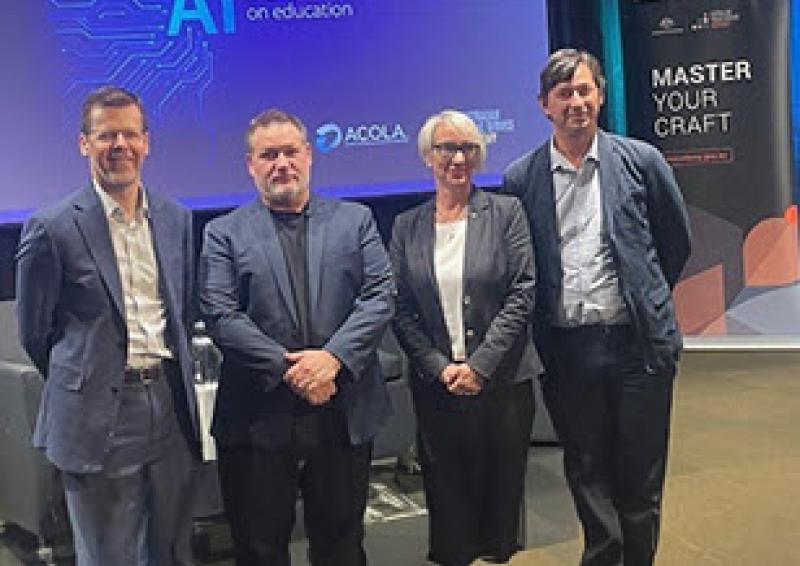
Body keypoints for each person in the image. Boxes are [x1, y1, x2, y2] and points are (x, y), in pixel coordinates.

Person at [502, 49, 691, 566]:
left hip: (638, 347)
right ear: (544, 105)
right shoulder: (521, 178)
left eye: (585, 90)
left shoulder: (642, 161)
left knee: (640, 471)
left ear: (601, 96)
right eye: (564, 93)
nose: (577, 102)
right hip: (568, 350)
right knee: (586, 467)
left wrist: (645, 297)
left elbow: (674, 244)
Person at [197, 109, 395, 566]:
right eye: (269, 155)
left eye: (290, 151)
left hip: (341, 407)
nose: (281, 163)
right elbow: (221, 315)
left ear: (309, 155)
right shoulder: (223, 233)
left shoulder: (355, 219)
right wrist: (296, 370)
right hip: (257, 417)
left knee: (342, 545)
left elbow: (381, 295)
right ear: (251, 164)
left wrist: (332, 361)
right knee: (259, 549)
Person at [15, 86, 199, 565]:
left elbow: (181, 312)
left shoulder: (177, 219)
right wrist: (88, 376)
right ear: (84, 144)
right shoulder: (51, 227)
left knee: (171, 549)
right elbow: (36, 332)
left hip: (170, 406)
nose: (120, 145)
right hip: (99, 413)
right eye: (106, 135)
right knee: (108, 556)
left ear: (147, 142)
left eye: (130, 134)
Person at [390, 110, 542, 566]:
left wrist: (479, 366)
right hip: (437, 387)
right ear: (428, 156)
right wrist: (440, 366)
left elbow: (523, 292)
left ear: (478, 156)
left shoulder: (507, 213)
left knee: (500, 497)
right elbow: (399, 307)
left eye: (467, 149)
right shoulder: (406, 226)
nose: (457, 158)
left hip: (503, 383)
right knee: (448, 495)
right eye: (446, 148)